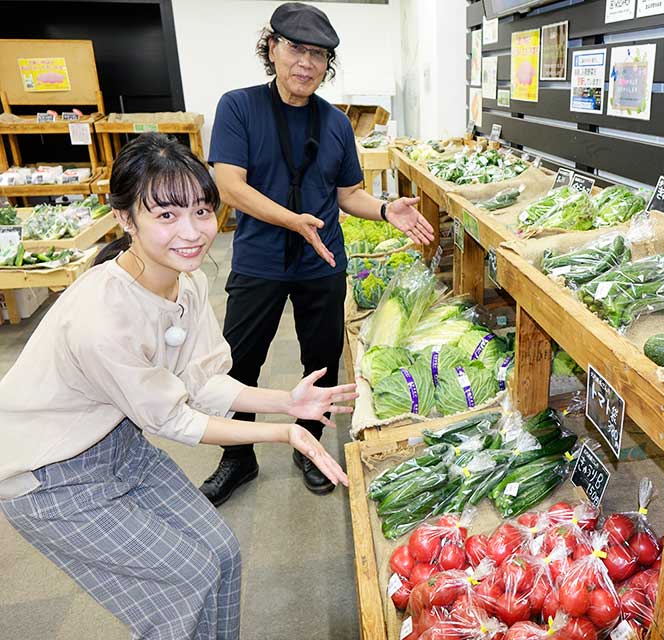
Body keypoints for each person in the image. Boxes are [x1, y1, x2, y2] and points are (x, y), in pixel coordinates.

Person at [0, 133, 358, 640]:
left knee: (223, 554)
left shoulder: (184, 279)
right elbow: (175, 419)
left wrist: (287, 402)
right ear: (126, 219)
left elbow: (203, 381)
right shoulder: (103, 317)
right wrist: (284, 434)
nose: (191, 232)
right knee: (185, 580)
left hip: (119, 444)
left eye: (201, 211)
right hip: (49, 477)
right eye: (165, 216)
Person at [201, 3, 434, 505]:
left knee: (322, 362)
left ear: (328, 64)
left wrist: (386, 209)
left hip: (322, 262)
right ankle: (236, 457)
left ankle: (308, 447)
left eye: (319, 55)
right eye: (296, 49)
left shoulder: (335, 124)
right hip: (259, 260)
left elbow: (349, 194)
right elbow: (229, 186)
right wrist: (292, 220)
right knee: (238, 364)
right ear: (272, 49)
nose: (306, 63)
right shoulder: (238, 107)